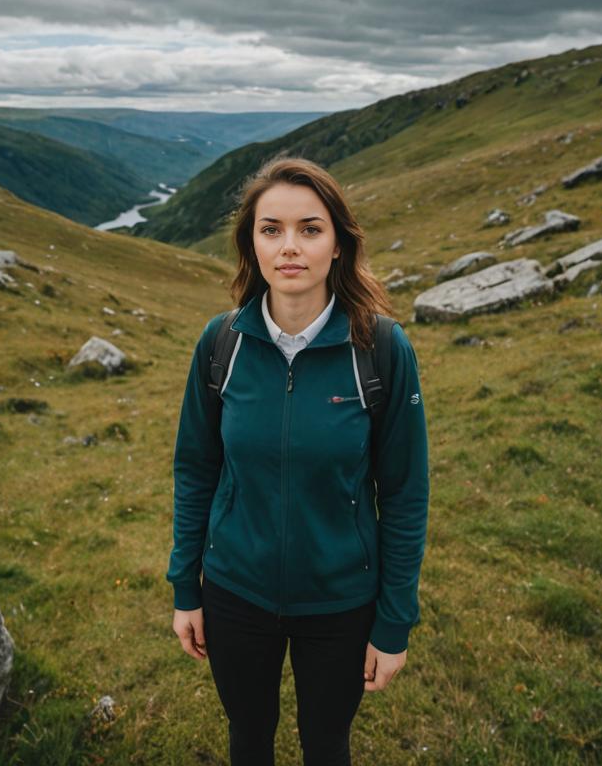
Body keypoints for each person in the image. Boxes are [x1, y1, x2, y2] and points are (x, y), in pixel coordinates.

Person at [166, 156, 430, 766]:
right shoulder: (221, 343)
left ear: (338, 244)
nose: (290, 246)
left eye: (310, 229)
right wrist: (186, 587)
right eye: (271, 229)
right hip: (234, 592)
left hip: (341, 602)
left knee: (326, 746)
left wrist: (394, 623)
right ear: (251, 243)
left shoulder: (381, 348)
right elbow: (196, 470)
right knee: (248, 740)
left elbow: (405, 493)